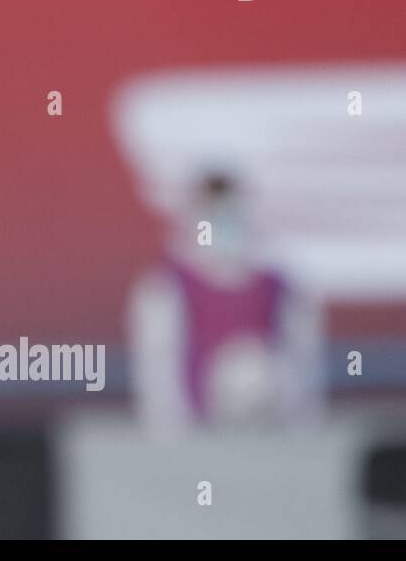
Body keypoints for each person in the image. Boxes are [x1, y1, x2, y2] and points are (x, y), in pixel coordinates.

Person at [127, 171, 324, 435]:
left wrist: (302, 424)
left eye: (229, 208)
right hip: (197, 429)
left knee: (253, 371)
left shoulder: (280, 282)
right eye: (213, 210)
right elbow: (155, 361)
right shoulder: (167, 285)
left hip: (271, 426)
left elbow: (305, 356)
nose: (222, 218)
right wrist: (167, 428)